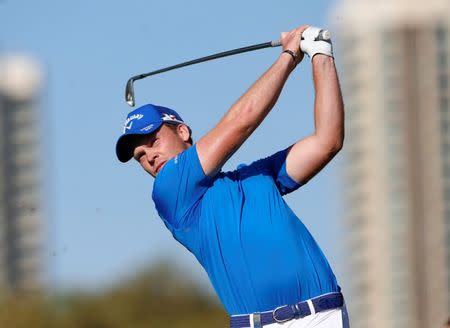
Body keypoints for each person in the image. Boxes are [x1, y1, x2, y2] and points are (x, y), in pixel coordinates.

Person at [116, 25, 348, 328]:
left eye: (153, 141)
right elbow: (241, 122)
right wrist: (289, 56)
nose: (149, 157)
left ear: (182, 131)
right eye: (140, 157)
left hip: (323, 315)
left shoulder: (255, 175)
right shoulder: (169, 192)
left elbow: (327, 141)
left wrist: (320, 52)